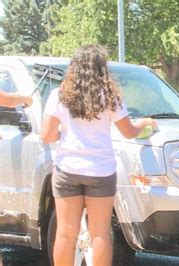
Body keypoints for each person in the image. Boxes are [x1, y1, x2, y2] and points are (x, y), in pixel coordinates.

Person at [41, 44, 156, 266]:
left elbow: (47, 135)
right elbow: (129, 131)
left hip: (67, 170)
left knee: (65, 232)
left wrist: (63, 133)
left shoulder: (60, 95)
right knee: (100, 233)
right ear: (102, 69)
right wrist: (145, 123)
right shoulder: (111, 96)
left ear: (74, 67)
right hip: (101, 172)